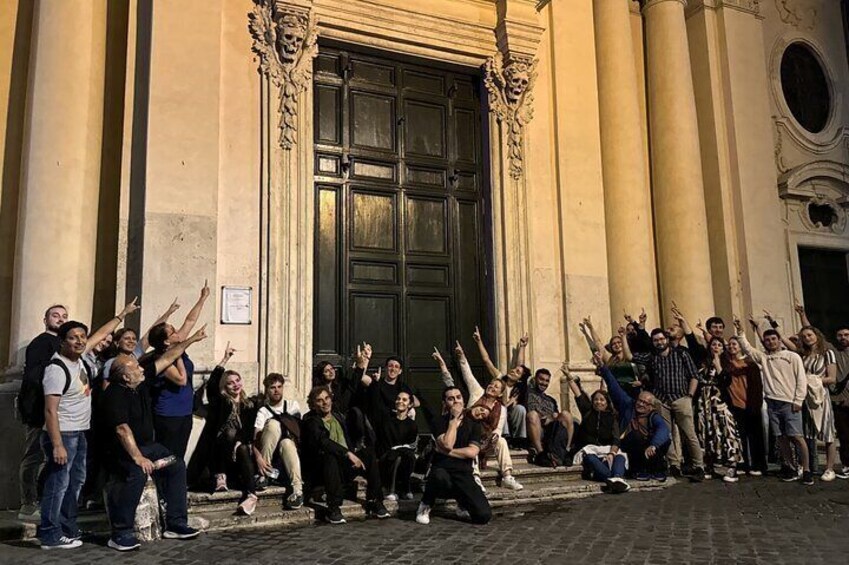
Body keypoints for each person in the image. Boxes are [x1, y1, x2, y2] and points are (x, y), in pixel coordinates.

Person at [37, 299, 140, 550]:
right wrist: (58, 445)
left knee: (75, 483)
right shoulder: (57, 368)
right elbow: (50, 411)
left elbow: (100, 335)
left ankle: (68, 528)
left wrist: (122, 315)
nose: (81, 341)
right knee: (57, 485)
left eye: (82, 337)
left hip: (80, 432)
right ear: (63, 341)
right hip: (63, 434)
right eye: (74, 337)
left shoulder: (80, 360)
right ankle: (49, 534)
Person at [101, 326, 207, 551]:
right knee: (136, 474)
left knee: (176, 465)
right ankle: (121, 533)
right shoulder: (115, 394)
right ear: (126, 375)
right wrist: (138, 458)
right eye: (135, 367)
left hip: (149, 447)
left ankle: (176, 523)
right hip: (123, 451)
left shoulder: (140, 382)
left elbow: (168, 357)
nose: (141, 368)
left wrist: (191, 340)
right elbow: (122, 429)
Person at [434, 342, 523, 490]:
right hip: (468, 437)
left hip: (487, 440)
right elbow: (467, 374)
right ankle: (475, 477)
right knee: (472, 441)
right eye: (491, 384)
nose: (492, 387)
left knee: (501, 441)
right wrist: (461, 356)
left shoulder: (501, 408)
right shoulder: (477, 392)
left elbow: (498, 428)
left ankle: (507, 476)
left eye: (496, 387)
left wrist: (494, 436)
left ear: (501, 393)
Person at [736, 317, 813, 485]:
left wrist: (798, 399)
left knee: (797, 436)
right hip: (772, 403)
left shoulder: (792, 356)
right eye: (767, 340)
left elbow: (801, 379)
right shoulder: (764, 358)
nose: (771, 342)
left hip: (790, 402)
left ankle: (806, 469)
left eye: (773, 339)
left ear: (779, 340)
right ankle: (790, 467)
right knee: (781, 437)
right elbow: (747, 348)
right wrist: (741, 331)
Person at [301, 386, 389, 525]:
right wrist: (348, 454)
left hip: (345, 465)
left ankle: (375, 500)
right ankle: (333, 509)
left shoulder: (338, 416)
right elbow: (324, 442)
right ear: (313, 404)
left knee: (369, 453)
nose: (325, 403)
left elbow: (351, 390)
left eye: (327, 398)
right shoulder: (311, 421)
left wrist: (353, 453)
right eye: (319, 400)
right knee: (330, 456)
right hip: (323, 469)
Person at [144, 282, 210, 460]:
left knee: (179, 455)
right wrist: (179, 352)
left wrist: (202, 298)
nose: (178, 332)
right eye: (172, 332)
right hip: (169, 414)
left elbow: (189, 321)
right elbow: (181, 379)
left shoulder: (177, 346)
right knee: (167, 456)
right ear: (166, 342)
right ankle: (163, 485)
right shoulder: (161, 360)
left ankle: (175, 484)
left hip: (184, 411)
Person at [631, 327, 705, 480]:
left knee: (689, 434)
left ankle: (698, 466)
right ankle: (674, 465)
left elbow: (694, 376)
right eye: (656, 340)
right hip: (662, 401)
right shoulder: (652, 358)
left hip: (681, 398)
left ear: (666, 339)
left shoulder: (681, 353)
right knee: (667, 434)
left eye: (661, 339)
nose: (659, 342)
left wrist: (689, 396)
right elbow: (631, 357)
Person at [17, 304, 68, 521]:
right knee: (34, 457)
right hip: (39, 411)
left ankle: (47, 500)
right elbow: (33, 378)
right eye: (55, 316)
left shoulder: (63, 343)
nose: (60, 319)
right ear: (45, 319)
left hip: (58, 412)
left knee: (52, 458)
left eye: (64, 316)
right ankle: (28, 504)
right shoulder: (41, 343)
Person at [416, 387, 492, 525]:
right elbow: (447, 444)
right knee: (438, 476)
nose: (456, 401)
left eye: (458, 397)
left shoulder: (473, 424)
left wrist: (447, 452)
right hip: (442, 469)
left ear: (463, 400)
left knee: (483, 516)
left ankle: (462, 501)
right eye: (451, 398)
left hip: (463, 473)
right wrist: (453, 422)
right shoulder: (438, 421)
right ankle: (426, 504)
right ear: (445, 403)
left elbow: (472, 452)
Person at [594, 353, 671, 481]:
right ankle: (638, 470)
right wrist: (603, 367)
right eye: (639, 401)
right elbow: (614, 386)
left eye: (645, 403)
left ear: (651, 407)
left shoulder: (653, 416)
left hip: (647, 447)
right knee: (636, 436)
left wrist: (654, 445)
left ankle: (657, 470)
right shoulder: (628, 404)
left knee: (664, 441)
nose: (640, 404)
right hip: (629, 443)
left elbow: (663, 429)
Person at [207, 353, 262, 514]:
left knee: (243, 447)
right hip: (220, 452)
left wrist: (239, 441)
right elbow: (211, 386)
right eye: (230, 383)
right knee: (230, 433)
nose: (235, 385)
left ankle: (251, 495)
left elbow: (249, 429)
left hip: (240, 453)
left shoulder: (250, 404)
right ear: (225, 387)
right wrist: (224, 360)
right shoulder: (221, 401)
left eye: (237, 381)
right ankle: (220, 475)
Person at [563, 365, 629, 493]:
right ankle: (614, 479)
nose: (599, 402)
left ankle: (617, 479)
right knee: (590, 458)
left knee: (620, 457)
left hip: (607, 450)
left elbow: (616, 439)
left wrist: (611, 453)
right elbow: (578, 395)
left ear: (606, 402)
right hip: (590, 449)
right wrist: (569, 377)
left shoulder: (612, 417)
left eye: (602, 400)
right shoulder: (588, 411)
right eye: (596, 399)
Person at [252, 372, 304, 509]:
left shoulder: (292, 406)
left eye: (279, 387)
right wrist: (259, 459)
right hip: (269, 454)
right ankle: (264, 474)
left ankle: (297, 490)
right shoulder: (263, 411)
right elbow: (256, 437)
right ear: (267, 390)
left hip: (289, 452)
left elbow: (298, 432)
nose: (276, 390)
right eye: (272, 387)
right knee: (273, 424)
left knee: (286, 442)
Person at [694, 338, 743, 483]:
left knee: (726, 432)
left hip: (720, 403)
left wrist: (718, 362)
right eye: (713, 344)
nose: (716, 347)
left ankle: (732, 465)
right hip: (704, 405)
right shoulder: (703, 364)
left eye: (720, 345)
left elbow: (725, 381)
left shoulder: (727, 364)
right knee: (707, 434)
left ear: (723, 348)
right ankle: (709, 464)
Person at [472, 326, 529, 444]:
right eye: (514, 369)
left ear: (519, 379)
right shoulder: (500, 378)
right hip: (496, 414)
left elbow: (521, 364)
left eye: (517, 372)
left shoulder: (518, 389)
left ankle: (519, 440)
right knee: (501, 408)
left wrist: (522, 347)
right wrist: (479, 342)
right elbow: (487, 360)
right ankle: (504, 436)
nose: (513, 371)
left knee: (520, 409)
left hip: (510, 416)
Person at [724, 336, 767, 476]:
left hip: (750, 403)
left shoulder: (750, 364)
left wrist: (755, 404)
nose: (731, 346)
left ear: (740, 346)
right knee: (739, 436)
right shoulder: (726, 364)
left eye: (734, 344)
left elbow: (756, 386)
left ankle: (758, 464)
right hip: (734, 404)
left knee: (755, 436)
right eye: (729, 344)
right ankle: (743, 463)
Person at [371, 390, 418, 501]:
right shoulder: (386, 421)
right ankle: (392, 490)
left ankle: (404, 488)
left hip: (403, 456)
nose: (400, 401)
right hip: (387, 457)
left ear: (410, 404)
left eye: (404, 399)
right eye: (398, 399)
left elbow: (409, 445)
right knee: (397, 457)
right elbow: (383, 443)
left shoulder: (412, 425)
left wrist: (398, 448)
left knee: (406, 456)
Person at [581, 316, 642, 397]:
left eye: (619, 342)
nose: (617, 345)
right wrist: (590, 329)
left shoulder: (631, 356)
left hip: (631, 390)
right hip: (615, 391)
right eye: (614, 344)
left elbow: (642, 371)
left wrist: (641, 382)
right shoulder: (610, 358)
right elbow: (598, 343)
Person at [526, 368, 574, 466]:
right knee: (533, 415)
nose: (544, 383)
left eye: (547, 380)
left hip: (551, 430)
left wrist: (550, 419)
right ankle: (541, 453)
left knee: (566, 414)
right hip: (534, 427)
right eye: (541, 379)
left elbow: (556, 416)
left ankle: (566, 451)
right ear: (535, 379)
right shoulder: (526, 393)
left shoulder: (551, 400)